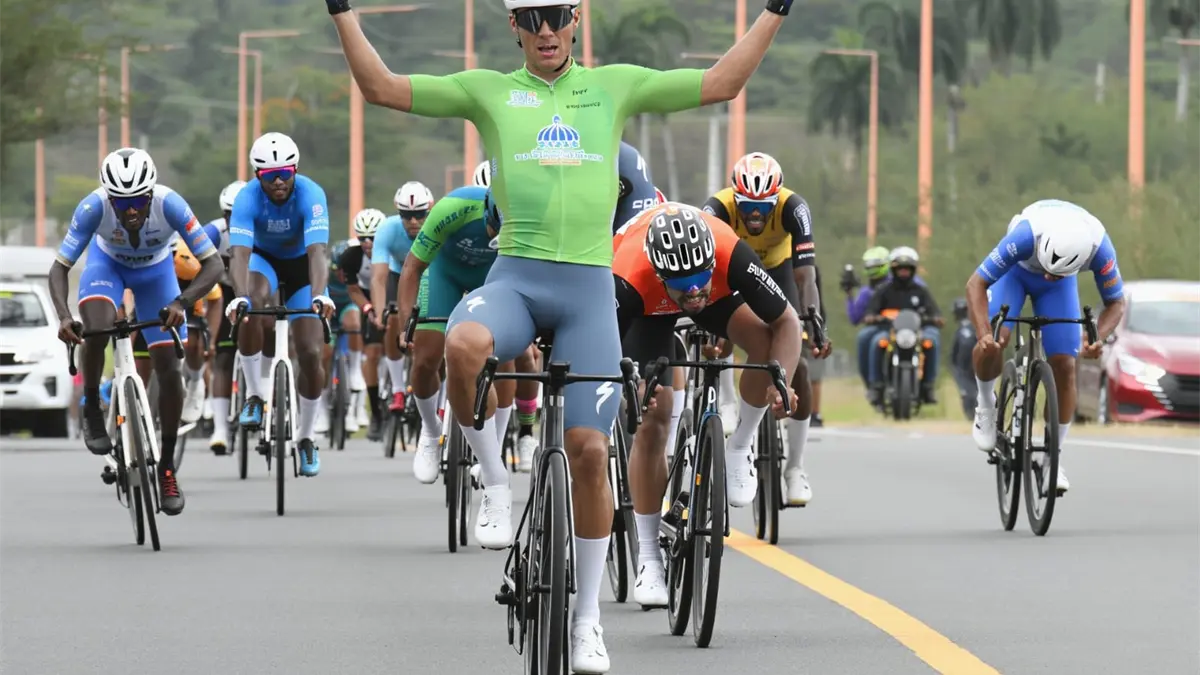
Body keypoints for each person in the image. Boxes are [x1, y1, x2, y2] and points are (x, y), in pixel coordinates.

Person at [327, 0, 795, 668]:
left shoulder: (614, 86)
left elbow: (721, 82)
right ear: (513, 27)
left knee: (585, 447)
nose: (545, 30)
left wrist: (775, 11)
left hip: (587, 291)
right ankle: (492, 479)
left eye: (556, 16)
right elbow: (379, 87)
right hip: (515, 278)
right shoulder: (487, 91)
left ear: (576, 20)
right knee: (462, 344)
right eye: (531, 18)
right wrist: (340, 9)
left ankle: (584, 620)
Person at [612, 203, 808, 609]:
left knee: (766, 345)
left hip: (720, 290)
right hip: (647, 309)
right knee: (651, 421)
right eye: (685, 286)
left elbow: (788, 322)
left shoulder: (727, 251)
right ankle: (648, 555)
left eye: (700, 279)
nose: (694, 293)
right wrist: (635, 390)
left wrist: (781, 383)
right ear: (665, 275)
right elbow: (608, 348)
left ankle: (739, 448)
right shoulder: (627, 275)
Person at [50, 147, 223, 516]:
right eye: (121, 202)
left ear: (151, 193)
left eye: (138, 201)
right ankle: (93, 408)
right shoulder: (92, 208)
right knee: (96, 329)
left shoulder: (171, 205)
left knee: (168, 365)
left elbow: (212, 265)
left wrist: (182, 302)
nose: (130, 210)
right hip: (106, 265)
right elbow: (59, 269)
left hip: (156, 273)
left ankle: (167, 469)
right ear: (108, 197)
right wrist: (65, 317)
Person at [966, 199, 1125, 493]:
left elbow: (1116, 303)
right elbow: (975, 284)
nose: (1048, 275)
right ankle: (986, 404)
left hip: (1060, 291)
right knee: (995, 342)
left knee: (1065, 364)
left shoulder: (1099, 248)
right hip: (1016, 273)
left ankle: (1053, 459)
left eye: (1057, 272)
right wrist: (984, 333)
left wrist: (1096, 338)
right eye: (1049, 269)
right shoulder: (1026, 236)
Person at [701, 150, 826, 503]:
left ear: (777, 198)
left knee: (797, 363)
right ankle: (727, 402)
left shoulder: (794, 207)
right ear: (734, 197)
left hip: (780, 271)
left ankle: (795, 468)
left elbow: (806, 275)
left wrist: (813, 317)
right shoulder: (717, 208)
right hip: (731, 268)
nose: (755, 215)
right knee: (722, 333)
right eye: (747, 206)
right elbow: (708, 272)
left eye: (764, 206)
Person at [225, 132, 332, 478]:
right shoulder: (246, 198)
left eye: (286, 172)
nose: (279, 181)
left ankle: (306, 436)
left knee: (311, 352)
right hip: (264, 261)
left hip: (303, 265)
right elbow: (239, 254)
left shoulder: (311, 194)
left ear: (295, 169)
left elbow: (318, 252)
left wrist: (320, 294)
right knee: (251, 305)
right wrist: (238, 296)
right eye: (270, 176)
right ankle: (255, 395)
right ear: (258, 175)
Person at [394, 185, 514, 486]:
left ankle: (493, 451)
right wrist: (405, 323)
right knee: (425, 359)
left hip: (494, 279)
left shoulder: (524, 218)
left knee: (510, 357)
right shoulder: (453, 208)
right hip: (445, 273)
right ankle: (431, 431)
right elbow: (413, 266)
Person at [368, 181, 432, 414]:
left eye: (419, 214)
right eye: (406, 215)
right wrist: (379, 311)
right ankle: (397, 388)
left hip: (430, 274)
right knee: (393, 318)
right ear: (398, 212)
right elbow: (378, 278)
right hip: (398, 273)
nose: (413, 221)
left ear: (429, 210)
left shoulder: (438, 225)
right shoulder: (387, 228)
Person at [863, 247, 943, 405]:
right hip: (889, 331)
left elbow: (936, 313)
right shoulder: (883, 290)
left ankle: (928, 386)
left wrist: (935, 319)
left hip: (917, 332)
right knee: (875, 341)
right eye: (900, 269)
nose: (904, 272)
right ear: (893, 270)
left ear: (913, 270)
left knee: (932, 340)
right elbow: (870, 313)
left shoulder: (921, 291)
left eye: (907, 269)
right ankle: (876, 385)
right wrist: (873, 318)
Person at [335, 209, 385, 436]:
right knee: (372, 354)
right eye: (362, 237)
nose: (368, 243)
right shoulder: (351, 257)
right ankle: (376, 412)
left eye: (373, 238)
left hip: (394, 292)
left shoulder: (394, 250)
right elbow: (353, 290)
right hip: (367, 297)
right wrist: (368, 309)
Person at [207, 180, 246, 454]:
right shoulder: (214, 232)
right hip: (223, 293)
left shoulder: (264, 228)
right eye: (229, 215)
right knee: (223, 357)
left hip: (257, 289)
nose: (233, 221)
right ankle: (220, 427)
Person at [948, 298, 978, 420]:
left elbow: (955, 353)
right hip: (966, 367)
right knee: (970, 393)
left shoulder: (966, 329)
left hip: (969, 367)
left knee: (969, 393)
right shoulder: (969, 328)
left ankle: (973, 417)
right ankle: (972, 417)